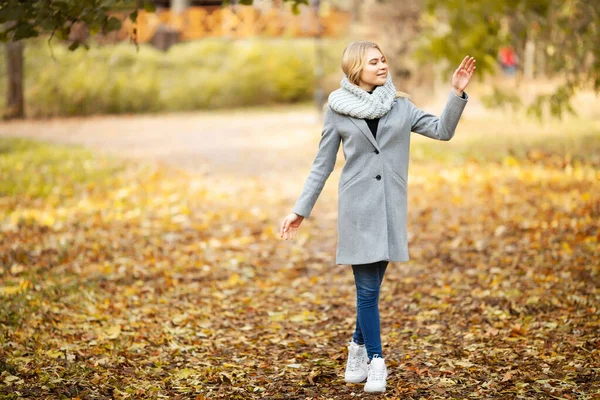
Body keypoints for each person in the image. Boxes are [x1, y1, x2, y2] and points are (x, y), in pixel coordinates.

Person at [279, 41, 475, 393]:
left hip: (389, 208)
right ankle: (376, 361)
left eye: (384, 59)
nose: (382, 66)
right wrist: (299, 210)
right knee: (367, 290)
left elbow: (442, 131)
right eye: (374, 62)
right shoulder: (338, 110)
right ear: (356, 70)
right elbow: (322, 165)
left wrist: (456, 93)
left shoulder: (400, 105)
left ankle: (355, 347)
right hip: (356, 209)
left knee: (371, 290)